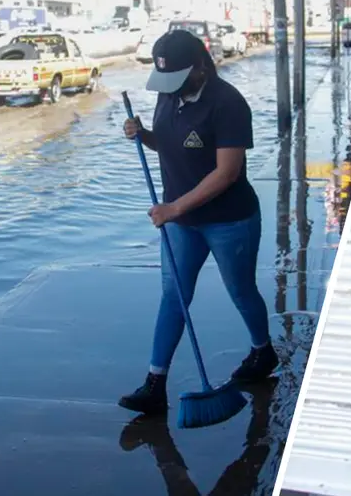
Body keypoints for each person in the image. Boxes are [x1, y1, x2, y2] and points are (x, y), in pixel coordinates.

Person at [119, 29, 278, 415]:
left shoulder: (228, 104)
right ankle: (155, 383)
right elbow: (175, 142)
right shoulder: (168, 94)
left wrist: (173, 209)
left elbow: (225, 173)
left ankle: (263, 352)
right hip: (181, 223)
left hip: (229, 220)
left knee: (240, 290)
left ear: (201, 67)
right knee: (174, 297)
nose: (169, 88)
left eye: (176, 78)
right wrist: (144, 136)